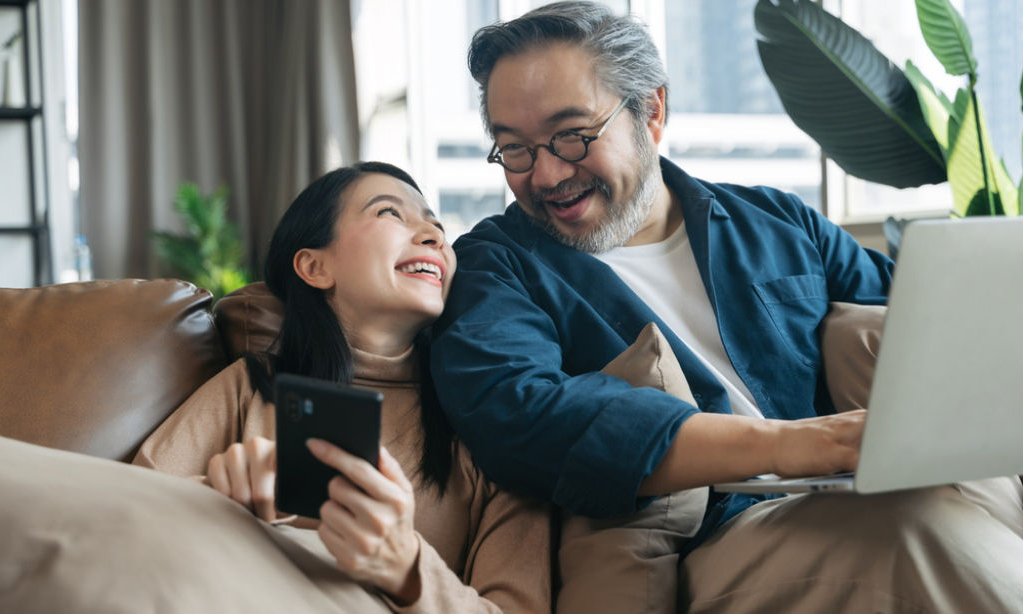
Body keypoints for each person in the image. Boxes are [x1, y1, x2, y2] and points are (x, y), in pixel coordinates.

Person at [429, 2, 1023, 612]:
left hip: (859, 498)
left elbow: (929, 315)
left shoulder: (773, 220)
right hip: (709, 539)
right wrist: (791, 445)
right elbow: (520, 413)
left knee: (944, 507)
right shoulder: (495, 269)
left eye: (573, 136)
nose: (548, 173)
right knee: (918, 531)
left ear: (652, 111)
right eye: (516, 150)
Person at [0, 162, 551, 614]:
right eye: (390, 212)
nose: (432, 233)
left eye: (434, 223)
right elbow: (128, 516)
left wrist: (406, 565)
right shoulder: (252, 386)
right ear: (314, 266)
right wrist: (216, 498)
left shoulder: (490, 419)